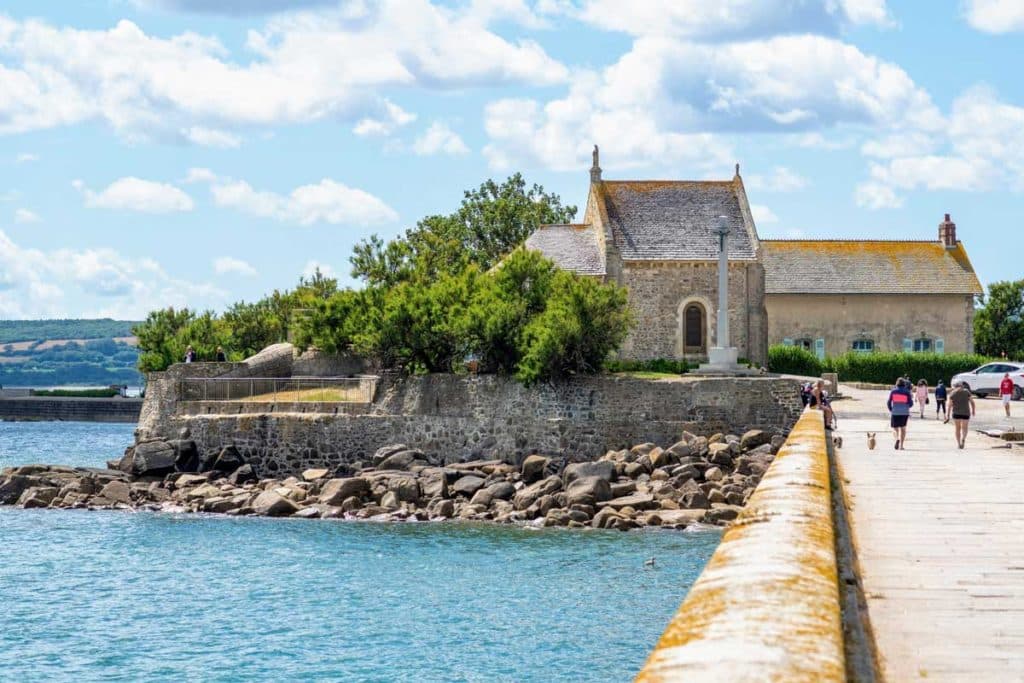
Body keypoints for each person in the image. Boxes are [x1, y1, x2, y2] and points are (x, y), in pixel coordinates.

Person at [948, 380, 976, 449]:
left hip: (956, 413)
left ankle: (958, 443)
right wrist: (973, 411)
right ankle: (963, 438)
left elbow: (949, 405)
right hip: (966, 413)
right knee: (965, 427)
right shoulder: (966, 392)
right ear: (962, 386)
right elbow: (972, 402)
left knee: (957, 428)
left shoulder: (952, 393)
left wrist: (948, 415)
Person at [887, 378, 913, 450]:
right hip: (904, 413)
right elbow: (911, 403)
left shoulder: (893, 391)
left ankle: (896, 439)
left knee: (895, 428)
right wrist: (906, 406)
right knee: (903, 428)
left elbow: (889, 402)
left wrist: (891, 409)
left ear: (896, 384)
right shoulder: (907, 392)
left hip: (895, 412)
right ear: (904, 384)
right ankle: (901, 446)